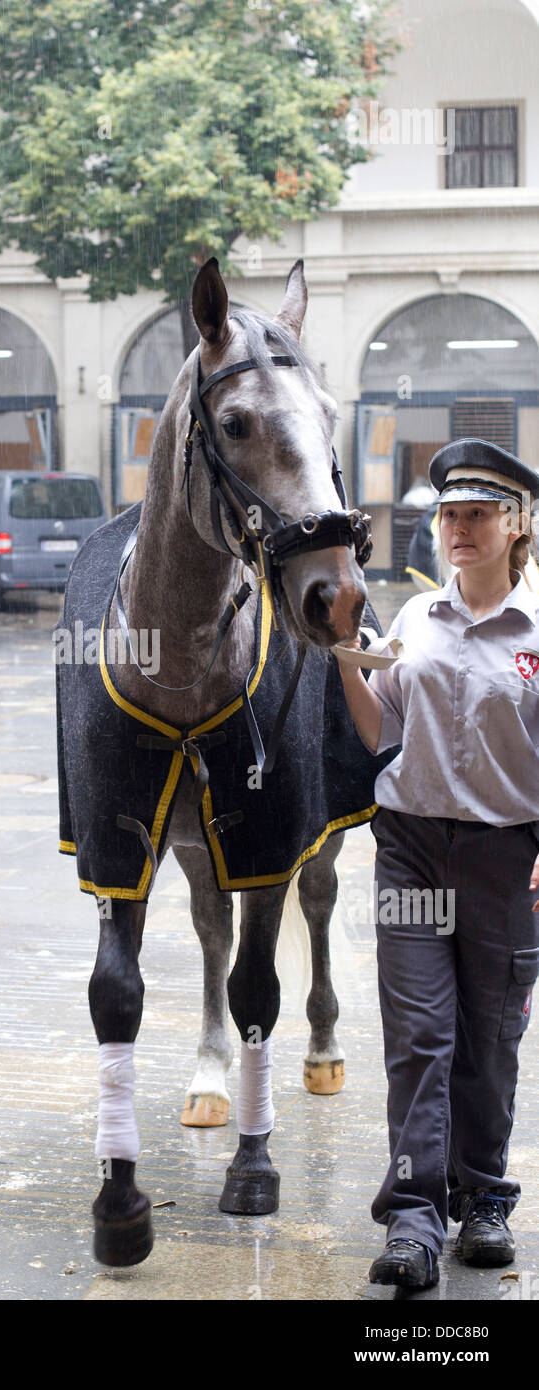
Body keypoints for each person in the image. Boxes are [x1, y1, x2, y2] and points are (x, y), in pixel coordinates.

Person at [334, 438, 539, 1290]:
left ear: (518, 523)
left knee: (489, 1043)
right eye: (449, 513)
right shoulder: (413, 623)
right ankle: (415, 1220)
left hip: (507, 861)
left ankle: (483, 1197)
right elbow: (381, 732)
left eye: (478, 513)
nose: (458, 527)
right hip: (412, 853)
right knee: (419, 1037)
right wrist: (349, 661)